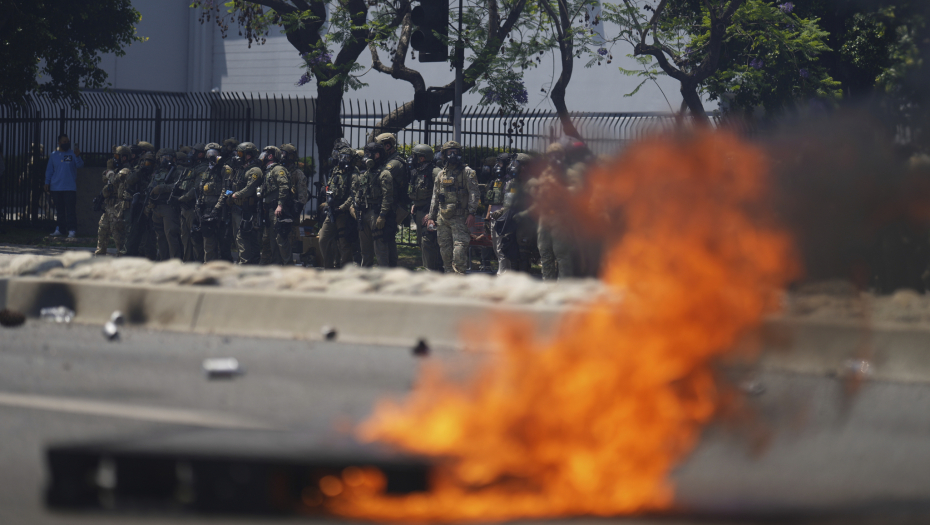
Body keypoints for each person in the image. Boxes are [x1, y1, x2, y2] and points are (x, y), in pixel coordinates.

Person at [427, 141, 480, 274]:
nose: (452, 155)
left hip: (460, 218)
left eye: (455, 152)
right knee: (445, 251)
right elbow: (435, 196)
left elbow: (474, 192)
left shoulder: (467, 172)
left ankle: (459, 278)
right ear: (443, 155)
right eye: (449, 152)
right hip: (443, 218)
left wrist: (472, 213)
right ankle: (449, 279)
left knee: (459, 251)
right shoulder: (441, 174)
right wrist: (431, 217)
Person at [351, 141, 396, 267]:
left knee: (380, 250)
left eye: (369, 153)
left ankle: (384, 278)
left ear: (377, 155)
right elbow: (359, 192)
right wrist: (354, 208)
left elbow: (388, 197)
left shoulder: (384, 174)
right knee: (365, 250)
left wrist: (382, 215)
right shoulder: (365, 174)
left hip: (376, 214)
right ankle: (365, 277)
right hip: (363, 213)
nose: (366, 156)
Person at [319, 146, 359, 268]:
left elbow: (354, 195)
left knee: (344, 244)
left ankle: (345, 270)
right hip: (332, 211)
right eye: (341, 157)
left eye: (346, 158)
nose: (343, 160)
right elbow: (330, 189)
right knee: (323, 239)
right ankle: (329, 268)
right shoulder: (335, 172)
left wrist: (341, 208)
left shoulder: (354, 175)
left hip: (343, 213)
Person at [407, 144, 442, 271]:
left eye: (415, 156)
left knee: (429, 242)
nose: (412, 158)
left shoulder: (435, 172)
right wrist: (414, 205)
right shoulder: (417, 172)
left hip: (430, 213)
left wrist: (431, 214)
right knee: (422, 243)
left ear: (422, 158)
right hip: (419, 212)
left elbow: (440, 196)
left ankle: (432, 271)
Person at [257, 146, 294, 265]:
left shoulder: (278, 169)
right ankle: (276, 265)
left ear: (270, 156)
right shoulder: (267, 171)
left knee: (281, 239)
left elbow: (284, 187)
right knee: (271, 240)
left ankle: (289, 266)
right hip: (269, 210)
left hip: (277, 209)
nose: (262, 155)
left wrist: (280, 205)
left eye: (265, 153)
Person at [228, 142, 263, 264]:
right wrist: (229, 194)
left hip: (247, 209)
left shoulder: (255, 171)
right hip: (237, 208)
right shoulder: (241, 170)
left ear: (249, 155)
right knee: (238, 239)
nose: (238, 156)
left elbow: (249, 189)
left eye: (240, 153)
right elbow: (232, 186)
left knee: (243, 238)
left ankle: (245, 264)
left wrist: (235, 195)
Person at [94, 146, 132, 256]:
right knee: (102, 229)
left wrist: (109, 172)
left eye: (117, 156)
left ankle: (122, 258)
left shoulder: (126, 170)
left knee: (118, 234)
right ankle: (100, 255)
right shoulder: (116, 170)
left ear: (124, 157)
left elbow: (114, 181)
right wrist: (109, 172)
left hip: (118, 207)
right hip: (109, 207)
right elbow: (104, 177)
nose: (115, 159)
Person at [44, 134, 83, 238]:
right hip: (56, 187)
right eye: (64, 142)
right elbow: (49, 170)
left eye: (67, 141)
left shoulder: (73, 154)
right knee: (59, 210)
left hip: (69, 187)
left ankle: (72, 230)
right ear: (59, 143)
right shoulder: (53, 155)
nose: (66, 143)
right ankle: (60, 229)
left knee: (70, 210)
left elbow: (80, 165)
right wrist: (47, 182)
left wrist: (78, 156)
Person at [197, 144, 231, 262]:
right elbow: (202, 188)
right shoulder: (207, 170)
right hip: (207, 211)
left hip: (220, 211)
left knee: (223, 243)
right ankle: (209, 267)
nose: (211, 156)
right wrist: (200, 203)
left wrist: (217, 208)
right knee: (208, 243)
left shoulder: (225, 169)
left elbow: (227, 190)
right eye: (209, 153)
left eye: (214, 153)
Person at [147, 148, 183, 259]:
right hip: (156, 207)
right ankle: (164, 260)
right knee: (160, 236)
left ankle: (175, 260)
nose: (165, 160)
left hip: (169, 207)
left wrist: (162, 188)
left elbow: (179, 186)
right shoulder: (157, 172)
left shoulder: (177, 171)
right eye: (163, 157)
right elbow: (150, 186)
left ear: (173, 159)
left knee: (171, 234)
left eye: (167, 157)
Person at [175, 143, 208, 262]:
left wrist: (183, 198)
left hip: (192, 208)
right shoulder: (192, 168)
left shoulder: (203, 168)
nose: (191, 154)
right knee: (185, 239)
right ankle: (187, 263)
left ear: (200, 154)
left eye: (194, 151)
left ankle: (198, 264)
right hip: (185, 208)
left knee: (195, 239)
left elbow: (197, 188)